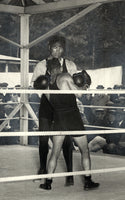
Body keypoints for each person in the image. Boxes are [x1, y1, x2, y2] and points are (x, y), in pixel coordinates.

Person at [37, 64, 99, 191]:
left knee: (54, 152)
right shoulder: (65, 76)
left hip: (59, 118)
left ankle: (47, 183)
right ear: (60, 68)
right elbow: (80, 95)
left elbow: (52, 103)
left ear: (48, 71)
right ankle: (88, 181)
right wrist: (84, 85)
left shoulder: (47, 85)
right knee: (84, 151)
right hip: (73, 118)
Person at [31, 35, 78, 186]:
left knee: (67, 140)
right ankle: (43, 169)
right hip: (47, 104)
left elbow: (75, 85)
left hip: (64, 106)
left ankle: (70, 173)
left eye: (60, 47)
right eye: (54, 47)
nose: (57, 50)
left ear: (64, 49)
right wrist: (50, 96)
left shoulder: (70, 65)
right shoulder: (41, 65)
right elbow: (36, 85)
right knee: (43, 138)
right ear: (49, 48)